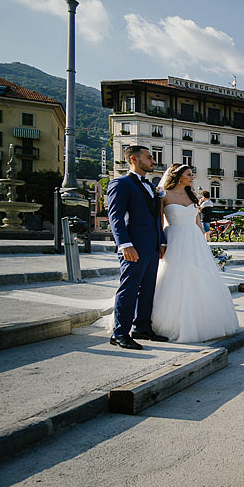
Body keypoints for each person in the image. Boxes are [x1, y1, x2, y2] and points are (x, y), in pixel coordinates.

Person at [149, 163, 239, 343]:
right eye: (188, 174)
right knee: (174, 277)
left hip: (194, 240)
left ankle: (205, 321)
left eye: (192, 174)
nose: (192, 177)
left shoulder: (192, 196)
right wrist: (161, 242)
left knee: (200, 277)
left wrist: (204, 244)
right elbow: (159, 222)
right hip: (174, 237)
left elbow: (198, 222)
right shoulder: (163, 195)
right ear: (178, 176)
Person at [107, 146, 167, 349]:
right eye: (149, 157)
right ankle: (120, 333)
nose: (153, 160)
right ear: (134, 159)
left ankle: (141, 327)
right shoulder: (120, 183)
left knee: (148, 288)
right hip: (133, 246)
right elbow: (115, 218)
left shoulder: (151, 186)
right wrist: (124, 245)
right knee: (129, 288)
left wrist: (161, 241)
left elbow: (156, 217)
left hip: (152, 246)